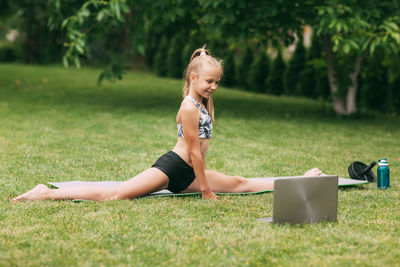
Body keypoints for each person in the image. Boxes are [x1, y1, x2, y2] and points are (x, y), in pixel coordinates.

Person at [12, 47, 322, 202]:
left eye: (217, 82)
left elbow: (201, 147)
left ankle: (302, 179)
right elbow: (195, 154)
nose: (214, 86)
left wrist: (202, 183)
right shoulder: (188, 107)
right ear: (193, 78)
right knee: (118, 194)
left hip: (185, 171)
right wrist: (205, 191)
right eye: (209, 81)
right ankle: (45, 193)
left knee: (241, 183)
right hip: (173, 167)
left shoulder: (203, 100)